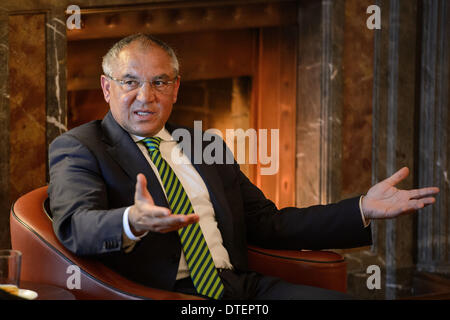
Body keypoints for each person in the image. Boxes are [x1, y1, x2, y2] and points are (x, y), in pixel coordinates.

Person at [48, 34, 439, 300]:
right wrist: (132, 220)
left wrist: (361, 209)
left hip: (240, 288)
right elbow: (75, 226)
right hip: (167, 293)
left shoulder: (203, 143)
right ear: (106, 87)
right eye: (130, 82)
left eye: (160, 82)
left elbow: (267, 223)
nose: (145, 97)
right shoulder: (80, 147)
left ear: (176, 88)